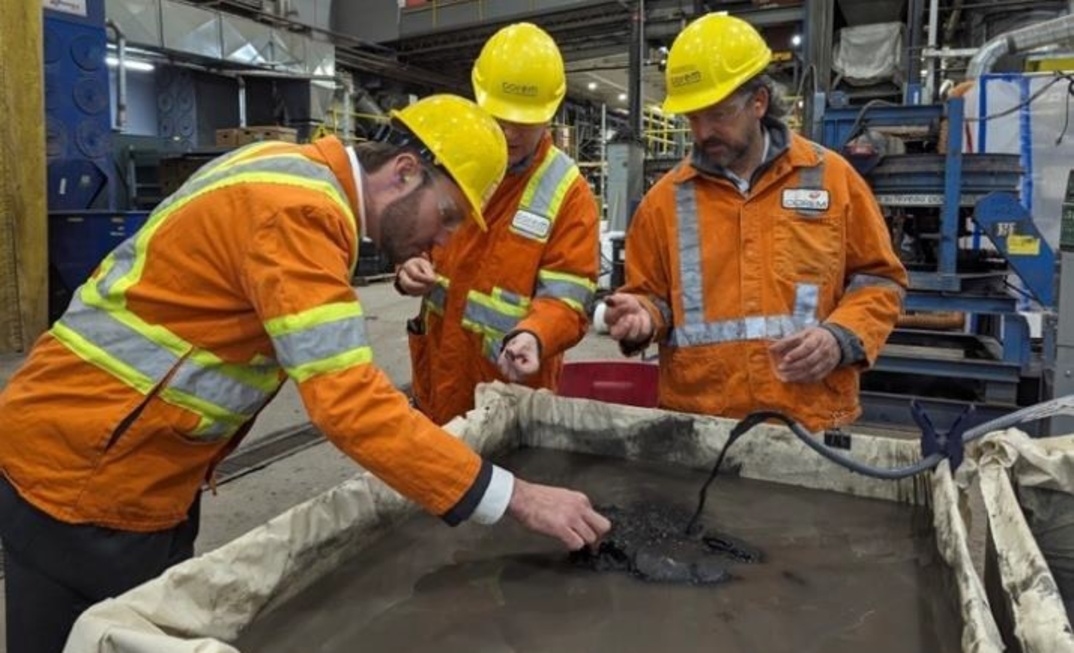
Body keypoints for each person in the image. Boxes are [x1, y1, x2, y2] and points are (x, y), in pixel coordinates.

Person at [0, 94, 610, 653]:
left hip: (129, 459)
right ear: (404, 172)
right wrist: (516, 496)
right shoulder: (299, 213)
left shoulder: (285, 170)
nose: (444, 241)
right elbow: (349, 403)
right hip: (88, 473)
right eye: (448, 216)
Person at [603, 14, 908, 432]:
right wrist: (642, 317)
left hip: (808, 416)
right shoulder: (664, 203)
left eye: (718, 114)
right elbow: (651, 296)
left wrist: (840, 338)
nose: (703, 132)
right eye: (693, 118)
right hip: (700, 422)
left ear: (759, 102)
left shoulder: (832, 179)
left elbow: (879, 280)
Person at [395, 23, 600, 425]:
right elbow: (415, 237)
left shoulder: (568, 194)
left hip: (509, 400)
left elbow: (568, 299)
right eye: (499, 116)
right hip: (436, 385)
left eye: (523, 121)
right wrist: (408, 266)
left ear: (549, 114)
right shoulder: (453, 161)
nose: (508, 132)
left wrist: (535, 334)